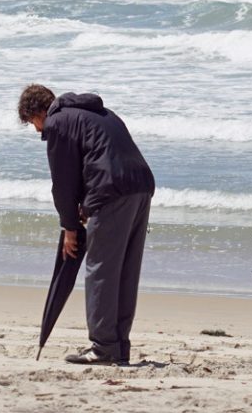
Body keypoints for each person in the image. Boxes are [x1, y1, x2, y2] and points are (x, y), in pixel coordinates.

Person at [18, 84, 155, 365]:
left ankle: (104, 347)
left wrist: (69, 227)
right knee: (125, 271)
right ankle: (118, 346)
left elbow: (64, 182)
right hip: (140, 186)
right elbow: (95, 158)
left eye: (33, 123)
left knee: (100, 270)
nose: (37, 131)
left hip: (111, 192)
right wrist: (84, 205)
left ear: (38, 112)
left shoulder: (57, 122)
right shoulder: (98, 114)